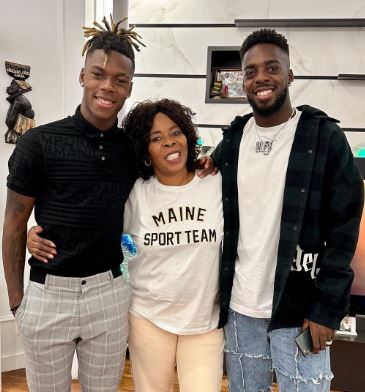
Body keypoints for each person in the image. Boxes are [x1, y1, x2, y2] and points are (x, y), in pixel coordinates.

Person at [28, 98, 225, 392]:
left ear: (187, 134)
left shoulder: (214, 181)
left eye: (175, 133)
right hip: (148, 318)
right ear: (145, 150)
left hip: (204, 322)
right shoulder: (135, 191)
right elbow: (94, 224)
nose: (169, 143)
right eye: (156, 138)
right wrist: (38, 233)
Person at [211, 29, 364, 391]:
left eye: (271, 67)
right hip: (240, 310)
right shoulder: (232, 141)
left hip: (299, 307)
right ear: (243, 81)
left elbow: (343, 231)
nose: (261, 77)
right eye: (250, 71)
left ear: (290, 75)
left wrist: (327, 308)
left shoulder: (323, 138)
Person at [2, 16, 143, 392]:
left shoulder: (132, 149)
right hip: (49, 294)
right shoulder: (40, 143)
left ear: (129, 88)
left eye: (120, 80)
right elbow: (15, 224)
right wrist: (18, 302)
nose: (107, 86)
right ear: (83, 76)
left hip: (109, 294)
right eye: (98, 74)